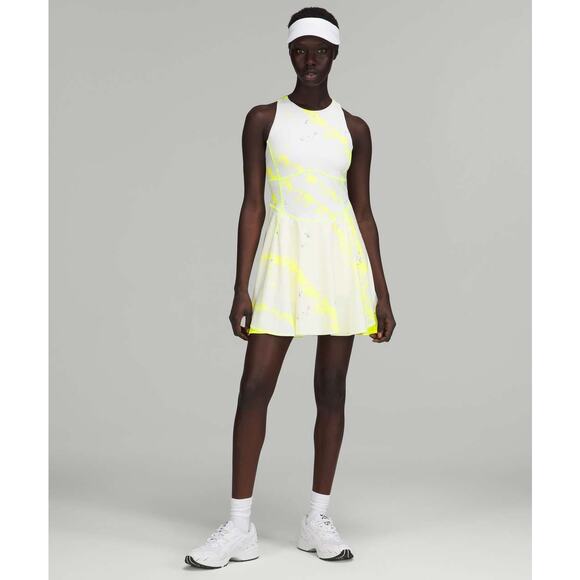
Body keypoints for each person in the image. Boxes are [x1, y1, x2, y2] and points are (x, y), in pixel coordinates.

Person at [185, 6, 396, 569]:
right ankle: (238, 527)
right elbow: (253, 204)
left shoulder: (355, 129)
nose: (310, 61)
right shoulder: (263, 119)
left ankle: (316, 519)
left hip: (339, 263)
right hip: (282, 259)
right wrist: (241, 286)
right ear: (289, 54)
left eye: (320, 51)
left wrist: (382, 292)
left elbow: (363, 212)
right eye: (300, 50)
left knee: (332, 387)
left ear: (335, 55)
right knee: (255, 386)